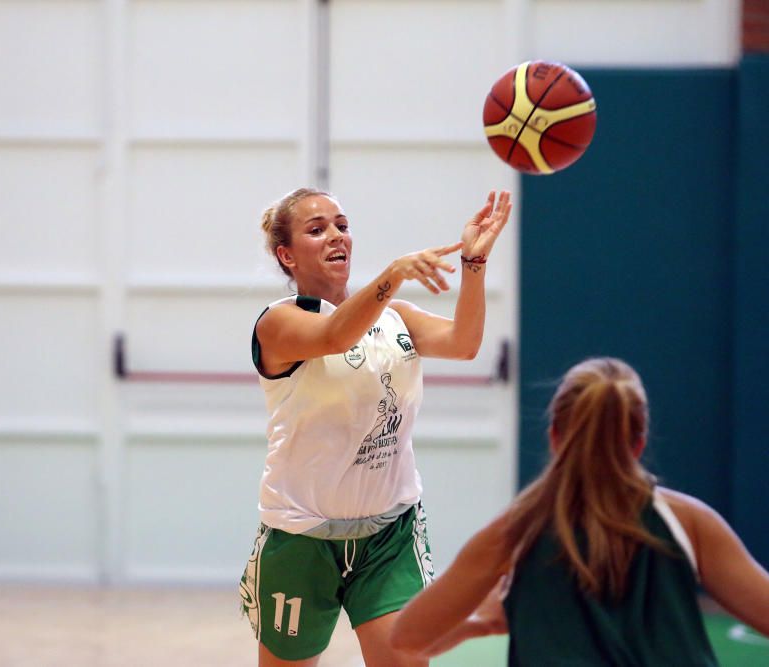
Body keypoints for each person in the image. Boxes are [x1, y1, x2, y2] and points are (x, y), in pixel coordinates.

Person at [238, 187, 512, 666]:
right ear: (287, 255)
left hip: (389, 536)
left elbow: (464, 342)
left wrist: (474, 263)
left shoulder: (394, 318)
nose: (335, 236)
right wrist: (394, 273)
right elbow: (334, 334)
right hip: (302, 539)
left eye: (342, 225)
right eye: (316, 229)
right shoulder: (278, 324)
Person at [390, 357, 769, 665]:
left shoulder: (516, 530)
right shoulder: (690, 522)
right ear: (639, 442)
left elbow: (409, 636)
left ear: (555, 435)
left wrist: (484, 621)